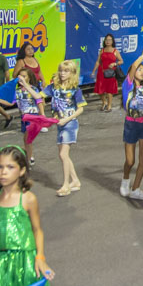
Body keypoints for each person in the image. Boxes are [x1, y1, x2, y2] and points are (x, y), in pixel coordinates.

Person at [0, 145, 54, 286]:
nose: (3, 172)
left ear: (22, 171)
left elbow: (37, 230)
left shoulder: (28, 199)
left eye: (10, 167)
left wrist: (40, 257)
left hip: (24, 261)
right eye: (0, 167)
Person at [45, 60, 86, 197]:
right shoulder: (54, 87)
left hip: (70, 124)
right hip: (60, 124)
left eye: (66, 71)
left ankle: (66, 185)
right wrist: (26, 85)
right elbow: (38, 96)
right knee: (63, 155)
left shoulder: (75, 90)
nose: (63, 73)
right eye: (61, 70)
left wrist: (66, 120)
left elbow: (80, 109)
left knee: (63, 154)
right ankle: (75, 181)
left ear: (72, 73)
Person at [120, 49, 143, 202]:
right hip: (131, 126)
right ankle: (126, 180)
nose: (142, 72)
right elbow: (133, 66)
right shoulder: (127, 86)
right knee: (130, 160)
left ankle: (136, 188)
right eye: (140, 70)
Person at [93, 34, 123, 113]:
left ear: (112, 41)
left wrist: (114, 64)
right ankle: (104, 102)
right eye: (106, 40)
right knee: (100, 90)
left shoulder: (115, 51)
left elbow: (121, 61)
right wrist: (93, 71)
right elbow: (98, 62)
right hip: (101, 72)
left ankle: (109, 105)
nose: (108, 41)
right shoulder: (102, 50)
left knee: (109, 90)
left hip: (110, 73)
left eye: (109, 40)